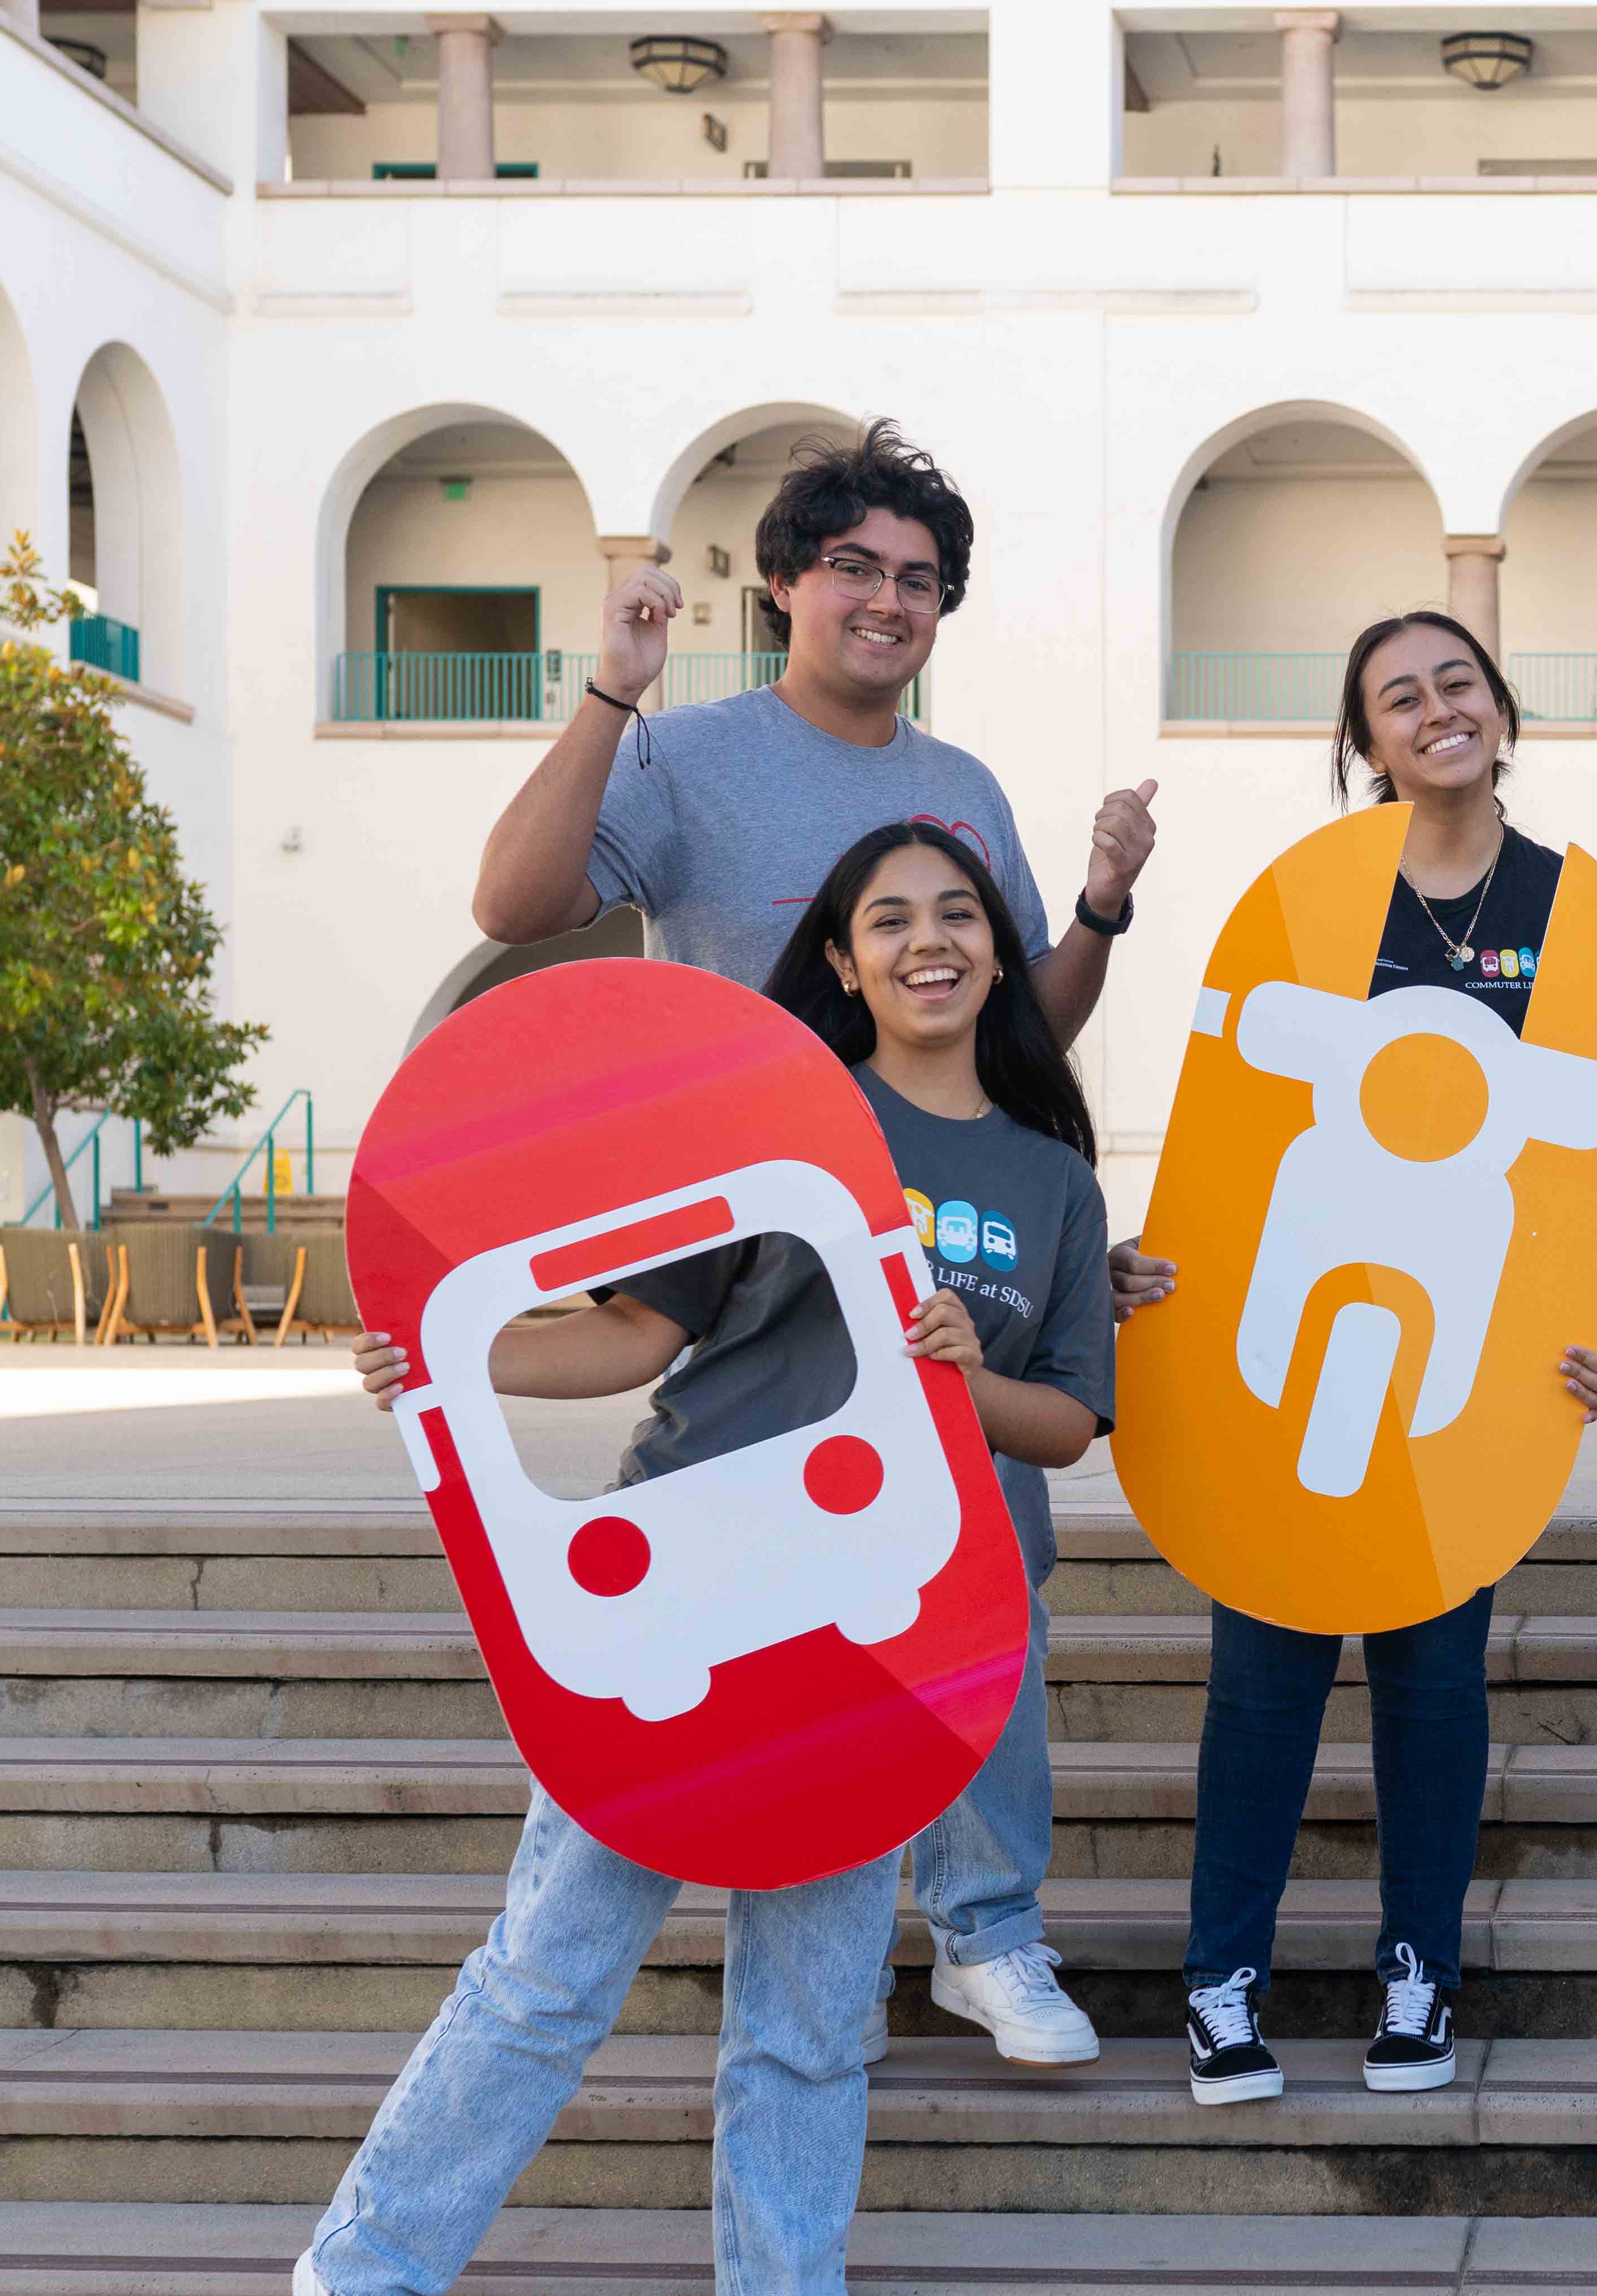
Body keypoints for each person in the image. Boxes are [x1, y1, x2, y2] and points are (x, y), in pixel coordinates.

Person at [295, 819, 1115, 2296]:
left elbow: (1072, 1420)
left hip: (880, 1623)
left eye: (960, 913)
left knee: (815, 2014)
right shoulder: (772, 1115)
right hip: (677, 1591)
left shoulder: (1052, 1179)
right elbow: (627, 1337)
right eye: (890, 918)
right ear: (840, 956)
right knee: (550, 1969)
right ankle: (359, 2274)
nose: (928, 942)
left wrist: (960, 1366)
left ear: (1001, 948)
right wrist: (448, 1359)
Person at [465, 417, 1158, 2066]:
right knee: (741, 1555)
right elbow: (515, 901)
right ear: (783, 583)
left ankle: (987, 1927)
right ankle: (632, 1877)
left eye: (920, 580)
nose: (888, 600)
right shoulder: (691, 753)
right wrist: (610, 690)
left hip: (938, 1234)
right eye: (853, 565)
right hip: (748, 1253)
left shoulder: (958, 787)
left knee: (982, 1552)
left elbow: (1009, 1032)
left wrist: (1100, 910)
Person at [1117, 610, 1597, 2104]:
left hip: (1462, 1351)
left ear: (1500, 704)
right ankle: (1223, 1978)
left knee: (1431, 1676)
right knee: (1263, 1668)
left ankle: (1420, 1970)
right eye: (1399, 700)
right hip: (1288, 1316)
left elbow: (1580, 1167)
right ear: (1369, 743)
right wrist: (1165, 1270)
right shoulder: (1319, 899)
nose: (1433, 713)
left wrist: (1583, 1335)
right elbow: (1238, 1115)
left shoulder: (1570, 910)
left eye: (1455, 684)